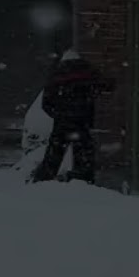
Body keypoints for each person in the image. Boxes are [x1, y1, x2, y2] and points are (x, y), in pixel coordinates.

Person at [31, 50, 112, 184]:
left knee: (53, 156)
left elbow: (46, 103)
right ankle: (82, 183)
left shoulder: (57, 75)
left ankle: (42, 182)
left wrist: (58, 114)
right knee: (83, 154)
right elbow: (106, 85)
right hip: (82, 121)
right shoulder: (89, 72)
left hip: (62, 122)